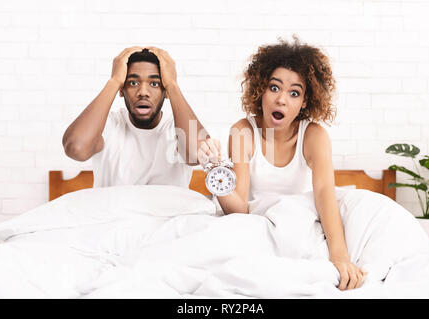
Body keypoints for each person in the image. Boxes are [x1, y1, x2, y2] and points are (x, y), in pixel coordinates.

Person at [197, 37, 366, 290]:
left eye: (294, 93)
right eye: (274, 88)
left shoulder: (314, 136)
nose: (282, 100)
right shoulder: (243, 131)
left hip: (297, 230)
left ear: (305, 101)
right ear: (261, 90)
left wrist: (340, 257)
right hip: (254, 231)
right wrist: (215, 172)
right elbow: (239, 210)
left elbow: (324, 195)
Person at [63, 46, 208, 188]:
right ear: (122, 90)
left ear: (166, 90)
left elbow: (197, 155)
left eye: (154, 83)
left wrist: (172, 85)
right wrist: (114, 82)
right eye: (133, 83)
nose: (143, 92)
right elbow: (76, 148)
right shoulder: (108, 125)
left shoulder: (177, 128)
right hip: (113, 212)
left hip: (169, 213)